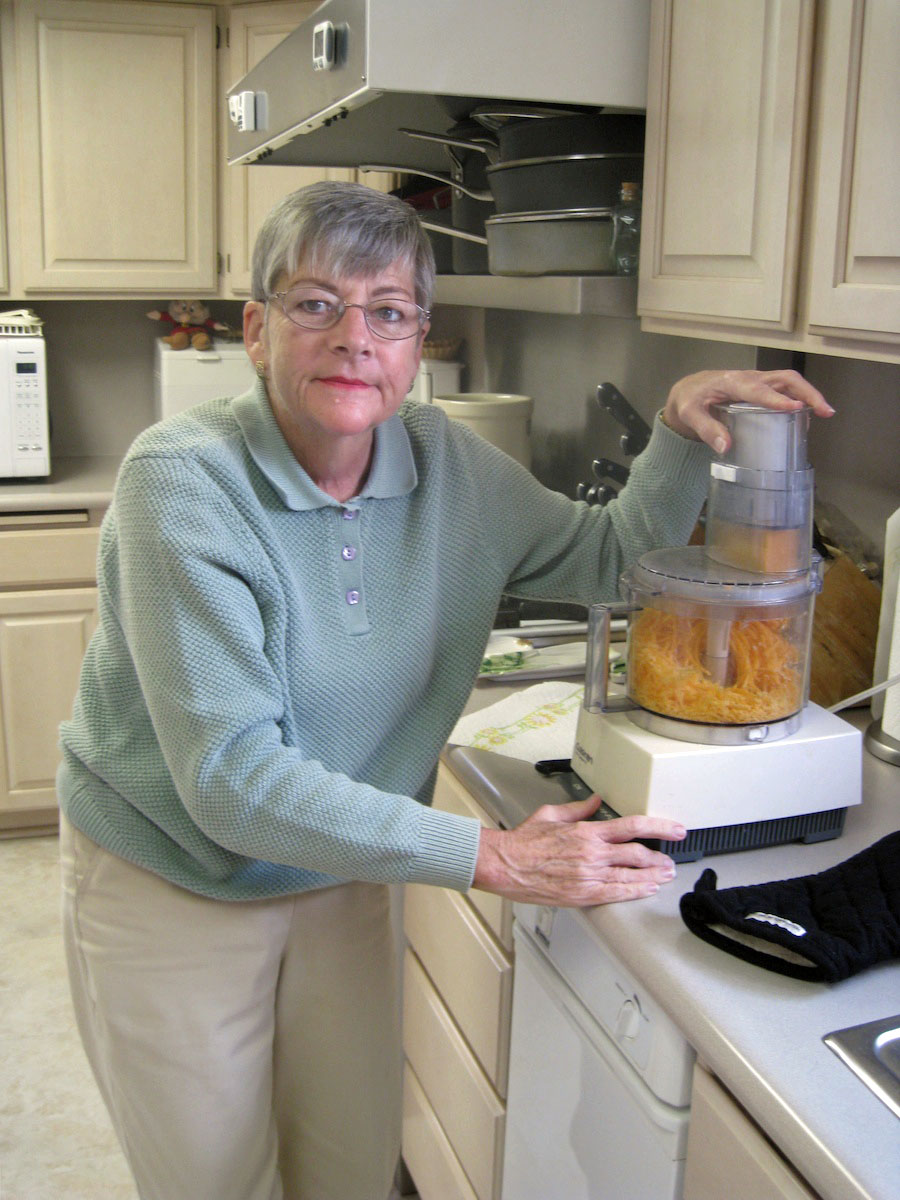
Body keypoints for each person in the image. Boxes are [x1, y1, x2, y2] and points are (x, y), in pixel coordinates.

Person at [58, 181, 834, 1200]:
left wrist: (682, 432)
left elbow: (610, 560)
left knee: (350, 1161)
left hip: (340, 874)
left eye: (388, 310)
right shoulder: (184, 486)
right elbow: (233, 785)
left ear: (417, 340)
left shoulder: (448, 467)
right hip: (173, 884)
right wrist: (496, 854)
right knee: (214, 1181)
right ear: (255, 328)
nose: (355, 338)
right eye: (315, 304)